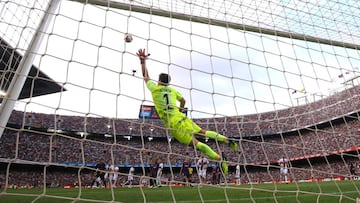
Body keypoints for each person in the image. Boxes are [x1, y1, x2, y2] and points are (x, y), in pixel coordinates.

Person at [136, 48, 238, 175]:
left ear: (159, 80)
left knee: (197, 144)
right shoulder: (173, 91)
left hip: (174, 124)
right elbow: (183, 100)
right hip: (181, 117)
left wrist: (142, 62)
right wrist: (180, 109)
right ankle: (226, 139)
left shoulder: (155, 89)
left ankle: (220, 159)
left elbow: (146, 77)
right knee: (202, 132)